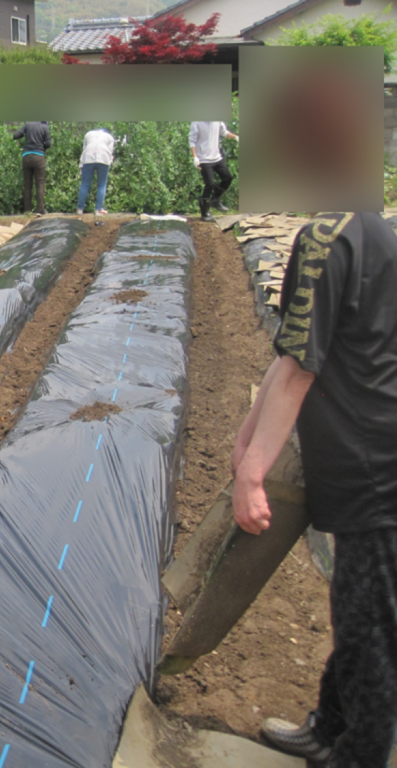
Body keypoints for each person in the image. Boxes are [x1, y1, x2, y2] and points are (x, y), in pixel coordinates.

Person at [230, 211, 397, 768]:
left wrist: (253, 477)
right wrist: (247, 442)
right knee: (358, 610)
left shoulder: (325, 237)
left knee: (373, 634)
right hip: (370, 451)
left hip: (373, 465)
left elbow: (300, 370)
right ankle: (329, 728)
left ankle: (358, 754)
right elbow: (290, 354)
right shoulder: (367, 227)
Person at [189, 121, 238, 222]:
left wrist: (236, 137)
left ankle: (215, 200)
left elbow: (224, 132)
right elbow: (192, 141)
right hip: (204, 159)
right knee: (209, 184)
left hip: (217, 158)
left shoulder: (217, 120)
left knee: (227, 178)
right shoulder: (197, 123)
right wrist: (195, 157)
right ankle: (205, 213)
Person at [13, 121, 51, 216]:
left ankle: (27, 210)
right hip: (39, 157)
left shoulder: (27, 125)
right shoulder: (44, 127)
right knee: (40, 184)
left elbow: (16, 135)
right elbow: (48, 143)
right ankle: (40, 210)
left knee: (27, 185)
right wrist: (42, 146)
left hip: (26, 157)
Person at [76, 127, 115, 215]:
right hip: (104, 158)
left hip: (88, 157)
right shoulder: (109, 137)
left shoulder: (88, 134)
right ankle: (98, 209)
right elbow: (110, 151)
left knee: (85, 184)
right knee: (102, 184)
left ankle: (80, 209)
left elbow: (85, 148)